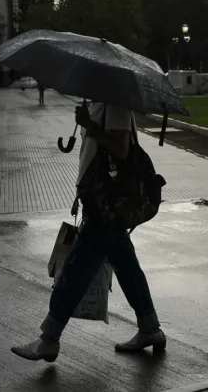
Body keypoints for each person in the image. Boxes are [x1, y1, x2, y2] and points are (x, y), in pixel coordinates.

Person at [11, 102, 165, 362]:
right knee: (127, 266)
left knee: (76, 269)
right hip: (98, 198)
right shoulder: (98, 103)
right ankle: (150, 328)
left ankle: (49, 338)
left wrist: (90, 125)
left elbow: (121, 149)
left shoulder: (115, 104)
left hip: (106, 203)